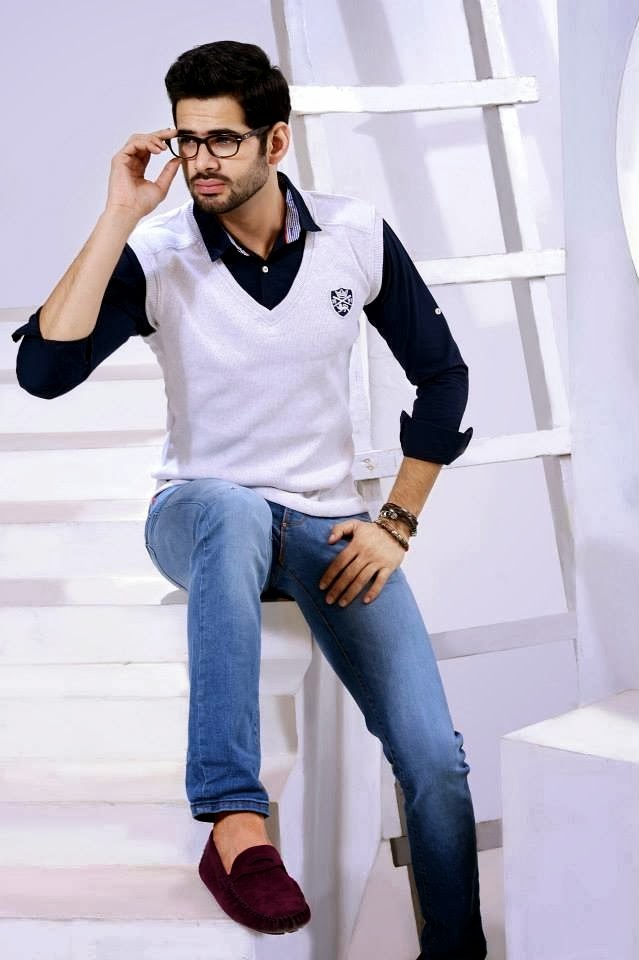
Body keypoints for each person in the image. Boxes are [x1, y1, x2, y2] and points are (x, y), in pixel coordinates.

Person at [12, 39, 487, 959]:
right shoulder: (158, 252)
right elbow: (44, 371)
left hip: (326, 525)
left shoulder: (353, 233)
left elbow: (444, 378)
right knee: (229, 508)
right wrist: (118, 215)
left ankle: (456, 948)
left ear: (275, 141)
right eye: (186, 139)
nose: (200, 161)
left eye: (222, 141)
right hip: (198, 513)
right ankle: (235, 821)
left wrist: (394, 522)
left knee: (435, 759)